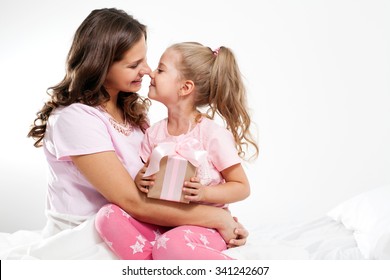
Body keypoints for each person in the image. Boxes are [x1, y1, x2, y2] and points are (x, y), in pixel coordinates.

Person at [26, 8, 247, 256]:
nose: (148, 70)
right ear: (100, 66)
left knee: (173, 248)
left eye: (145, 59)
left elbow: (154, 188)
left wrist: (210, 214)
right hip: (90, 232)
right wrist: (215, 217)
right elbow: (132, 201)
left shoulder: (135, 115)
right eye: (134, 64)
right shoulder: (74, 118)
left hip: (143, 225)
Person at [95, 42, 259, 259]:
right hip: (164, 222)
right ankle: (154, 265)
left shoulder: (212, 134)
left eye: (161, 70)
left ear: (185, 88)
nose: (151, 73)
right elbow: (145, 177)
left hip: (205, 227)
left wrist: (205, 193)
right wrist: (141, 180)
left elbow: (241, 187)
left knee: (171, 245)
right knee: (107, 216)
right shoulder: (154, 133)